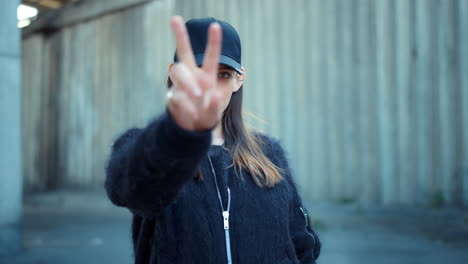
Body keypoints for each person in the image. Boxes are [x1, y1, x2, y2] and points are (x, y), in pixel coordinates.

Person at [105, 16, 321, 264]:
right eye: (197, 73)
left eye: (224, 75)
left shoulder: (269, 154)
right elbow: (128, 190)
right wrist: (177, 134)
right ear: (174, 75)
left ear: (240, 78)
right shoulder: (150, 149)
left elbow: (302, 245)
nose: (210, 87)